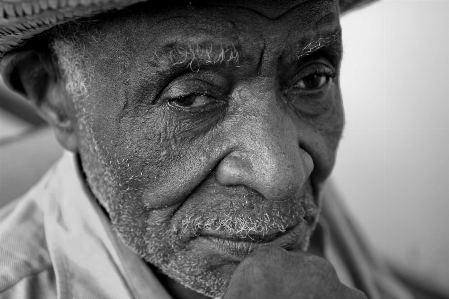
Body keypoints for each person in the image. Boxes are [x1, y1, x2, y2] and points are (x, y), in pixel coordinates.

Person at [0, 0, 444, 298]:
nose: (283, 174)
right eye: (191, 96)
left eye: (312, 79)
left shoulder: (315, 208)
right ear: (56, 99)